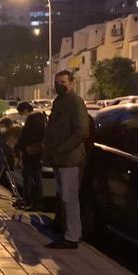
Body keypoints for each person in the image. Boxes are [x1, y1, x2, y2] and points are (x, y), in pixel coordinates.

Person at [43, 71, 89, 250]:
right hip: (58, 158)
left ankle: (72, 237)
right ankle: (67, 230)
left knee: (70, 197)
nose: (59, 85)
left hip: (69, 158)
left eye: (62, 82)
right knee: (63, 195)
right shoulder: (59, 102)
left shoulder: (75, 102)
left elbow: (81, 132)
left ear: (71, 83)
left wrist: (61, 149)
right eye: (57, 82)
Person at [15, 102, 47, 210]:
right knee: (35, 177)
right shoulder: (40, 118)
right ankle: (35, 202)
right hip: (36, 152)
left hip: (30, 152)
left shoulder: (33, 119)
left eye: (21, 113)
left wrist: (20, 146)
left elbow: (27, 136)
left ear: (25, 110)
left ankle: (31, 201)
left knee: (30, 178)